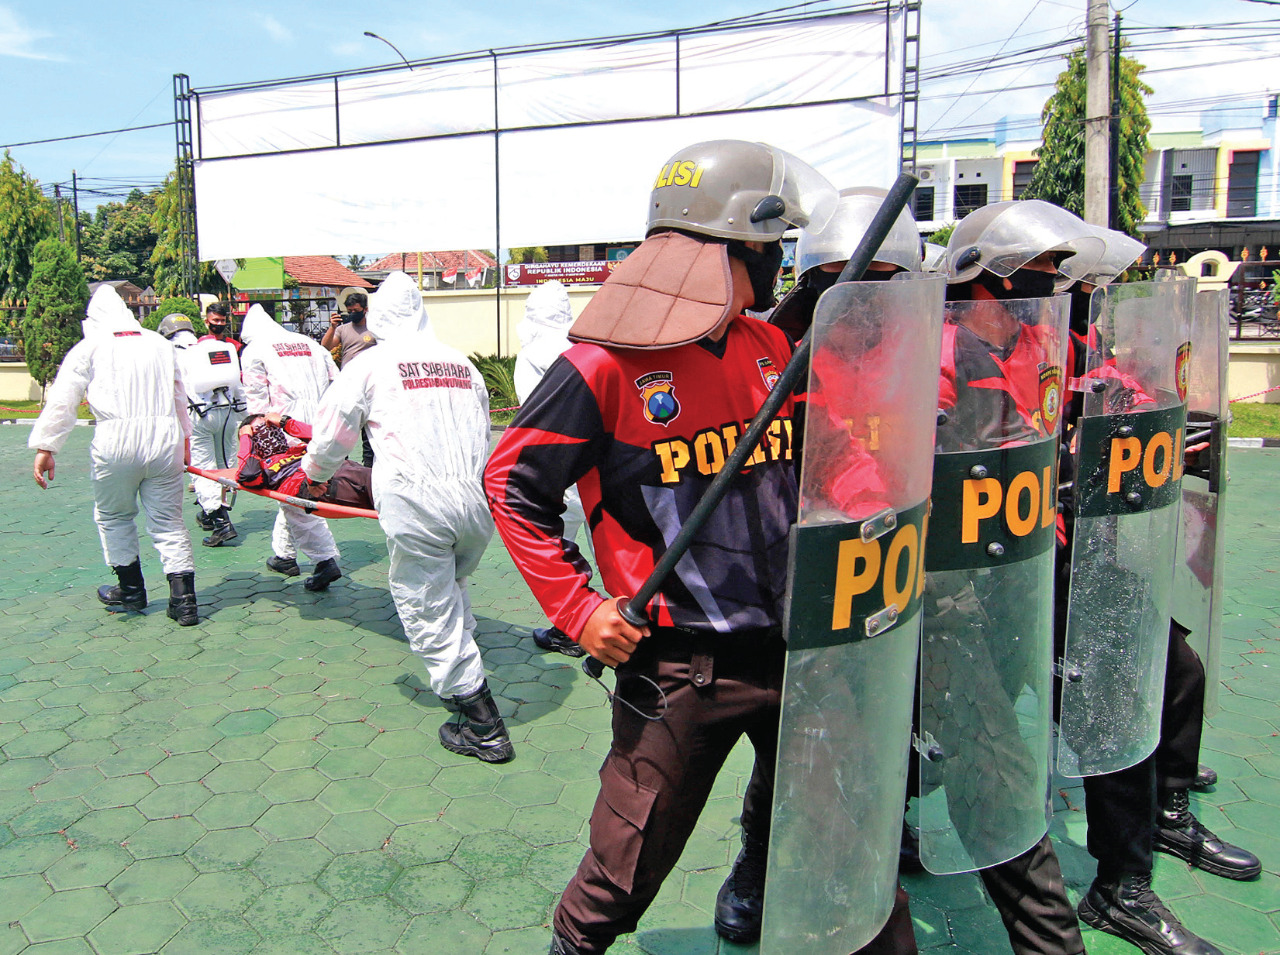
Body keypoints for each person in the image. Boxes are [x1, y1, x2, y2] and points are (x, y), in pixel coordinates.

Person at [487, 140, 916, 955]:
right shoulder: (603, 367)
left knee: (853, 849)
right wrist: (579, 609)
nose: (780, 261)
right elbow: (511, 482)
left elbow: (827, 458)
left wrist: (880, 505)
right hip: (681, 665)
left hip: (798, 646)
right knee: (623, 867)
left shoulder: (770, 348)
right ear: (732, 249)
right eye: (771, 244)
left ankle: (757, 883)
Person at [713, 186, 926, 946]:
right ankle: (758, 858)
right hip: (811, 562)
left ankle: (890, 820)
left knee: (892, 705)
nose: (865, 298)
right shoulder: (783, 347)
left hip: (898, 551)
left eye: (882, 281)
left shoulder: (918, 339)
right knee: (795, 724)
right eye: (841, 279)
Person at [1059, 229, 1258, 955]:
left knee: (1175, 671)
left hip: (1091, 552)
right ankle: (1120, 887)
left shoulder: (1090, 355)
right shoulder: (976, 356)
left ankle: (1160, 822)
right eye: (1081, 281)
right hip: (1019, 569)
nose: (1094, 297)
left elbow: (1127, 417)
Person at [299, 271, 507, 761]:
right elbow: (483, 432)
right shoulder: (462, 364)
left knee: (426, 602)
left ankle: (482, 722)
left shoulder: (371, 364)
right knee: (451, 584)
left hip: (416, 502)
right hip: (473, 500)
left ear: (377, 316)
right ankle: (465, 657)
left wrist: (315, 475)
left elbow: (332, 433)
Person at [29, 284, 199, 626]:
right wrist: (185, 440)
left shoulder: (89, 346)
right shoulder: (159, 343)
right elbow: (179, 394)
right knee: (169, 521)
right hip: (165, 438)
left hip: (115, 440)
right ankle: (184, 602)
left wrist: (47, 446)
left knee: (114, 516)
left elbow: (64, 398)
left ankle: (131, 590)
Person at [239, 302, 343, 591]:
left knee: (295, 495)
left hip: (283, 430)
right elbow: (337, 383)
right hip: (318, 427)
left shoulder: (255, 350)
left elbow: (256, 399)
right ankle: (284, 556)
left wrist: (256, 437)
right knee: (289, 496)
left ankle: (324, 560)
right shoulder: (310, 344)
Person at [513, 279, 590, 658]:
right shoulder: (585, 347)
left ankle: (571, 629)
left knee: (559, 557)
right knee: (613, 551)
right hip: (599, 468)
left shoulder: (531, 355)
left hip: (558, 472)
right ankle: (635, 630)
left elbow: (533, 419)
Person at [158, 313, 244, 546]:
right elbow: (237, 384)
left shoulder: (170, 353)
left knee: (203, 469)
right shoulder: (207, 348)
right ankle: (209, 513)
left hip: (198, 416)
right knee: (223, 466)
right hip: (227, 412)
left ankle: (221, 522)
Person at [234, 412, 373, 511]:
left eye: (271, 428)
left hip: (345, 469)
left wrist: (285, 422)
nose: (269, 434)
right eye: (261, 431)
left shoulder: (297, 449)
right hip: (318, 484)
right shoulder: (262, 466)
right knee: (374, 482)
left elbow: (326, 440)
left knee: (377, 476)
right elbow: (248, 475)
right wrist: (245, 437)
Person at [320, 291, 376, 467]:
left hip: (370, 385)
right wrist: (332, 327)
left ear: (365, 309)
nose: (352, 314)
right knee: (343, 427)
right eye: (349, 311)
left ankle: (369, 466)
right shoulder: (342, 329)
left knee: (368, 428)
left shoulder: (374, 329)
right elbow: (326, 346)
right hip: (348, 384)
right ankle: (340, 466)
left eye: (356, 310)